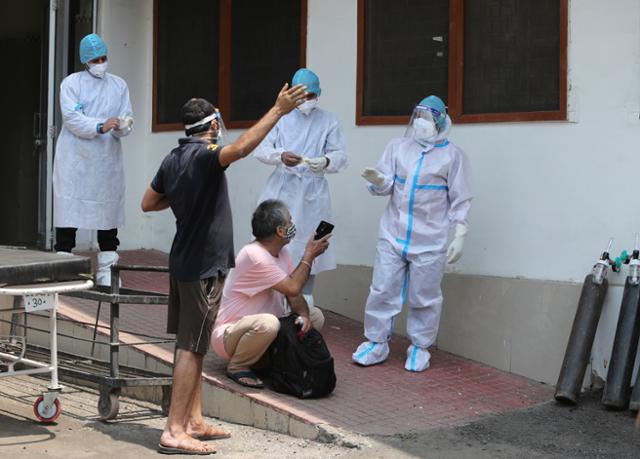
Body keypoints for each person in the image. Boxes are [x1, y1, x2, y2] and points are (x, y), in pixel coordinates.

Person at [141, 83, 307, 455]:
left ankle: (194, 421)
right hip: (203, 266)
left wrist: (184, 193)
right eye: (219, 120)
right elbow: (243, 147)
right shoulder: (204, 156)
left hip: (182, 261)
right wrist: (278, 109)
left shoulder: (173, 159)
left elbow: (148, 203)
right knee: (191, 348)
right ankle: (173, 430)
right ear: (213, 124)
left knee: (191, 345)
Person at [352, 95, 472, 372]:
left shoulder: (453, 157)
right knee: (382, 289)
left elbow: (461, 198)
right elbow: (385, 185)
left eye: (427, 119)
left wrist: (460, 233)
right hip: (393, 233)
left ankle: (419, 347)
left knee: (425, 296)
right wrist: (379, 180)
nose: (420, 123)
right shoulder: (398, 147)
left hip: (430, 239)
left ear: (441, 122)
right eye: (417, 117)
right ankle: (376, 342)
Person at [254, 68, 348, 312]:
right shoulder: (280, 117)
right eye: (302, 96)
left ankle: (304, 300)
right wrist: (280, 156)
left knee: (311, 244)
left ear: (319, 94)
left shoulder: (328, 120)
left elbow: (341, 155)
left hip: (313, 194)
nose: (307, 102)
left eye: (311, 96)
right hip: (283, 189)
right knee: (278, 242)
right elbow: (260, 149)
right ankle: (272, 300)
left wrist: (325, 161)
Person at [211, 199, 330, 389]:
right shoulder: (254, 255)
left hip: (268, 329)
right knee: (268, 323)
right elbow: (292, 287)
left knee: (315, 316)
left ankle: (270, 361)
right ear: (280, 231)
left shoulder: (282, 253)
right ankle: (238, 365)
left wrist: (304, 316)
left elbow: (293, 293)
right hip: (231, 334)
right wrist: (308, 255)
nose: (293, 226)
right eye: (289, 222)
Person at [52, 33, 134, 286]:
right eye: (95, 59)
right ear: (86, 61)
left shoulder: (118, 85)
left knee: (106, 211)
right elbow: (72, 119)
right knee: (70, 209)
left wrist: (122, 126)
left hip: (107, 160)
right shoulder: (71, 83)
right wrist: (100, 125)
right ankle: (64, 264)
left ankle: (107, 270)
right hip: (76, 158)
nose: (101, 62)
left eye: (104, 58)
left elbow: (126, 117)